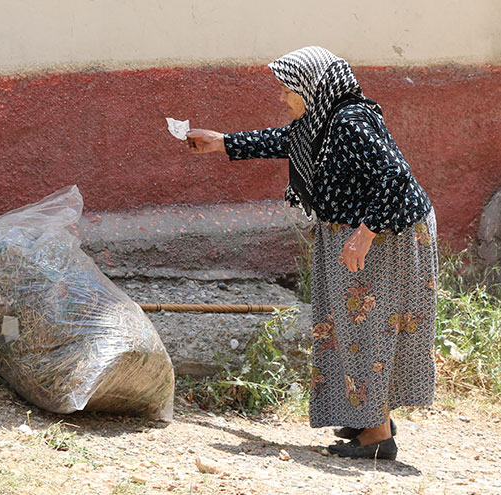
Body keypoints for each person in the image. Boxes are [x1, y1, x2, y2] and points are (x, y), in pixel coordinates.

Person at [186, 46, 437, 460]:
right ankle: (369, 417)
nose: (283, 99)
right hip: (361, 229)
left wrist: (364, 234)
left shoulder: (350, 123)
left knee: (366, 327)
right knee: (350, 325)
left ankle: (377, 437)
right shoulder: (322, 123)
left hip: (384, 234)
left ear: (312, 88)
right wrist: (222, 143)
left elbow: (397, 178)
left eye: (288, 90)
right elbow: (286, 141)